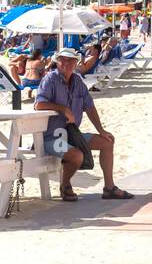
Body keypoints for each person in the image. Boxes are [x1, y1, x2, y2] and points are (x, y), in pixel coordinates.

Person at [34, 48, 133, 202]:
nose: (66, 63)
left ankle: (109, 187)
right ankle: (65, 185)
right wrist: (63, 109)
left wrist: (102, 130)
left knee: (107, 142)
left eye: (70, 60)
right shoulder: (50, 80)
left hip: (72, 134)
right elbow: (39, 104)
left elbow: (90, 107)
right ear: (56, 62)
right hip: (50, 138)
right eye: (62, 60)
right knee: (76, 155)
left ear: (76, 63)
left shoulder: (78, 81)